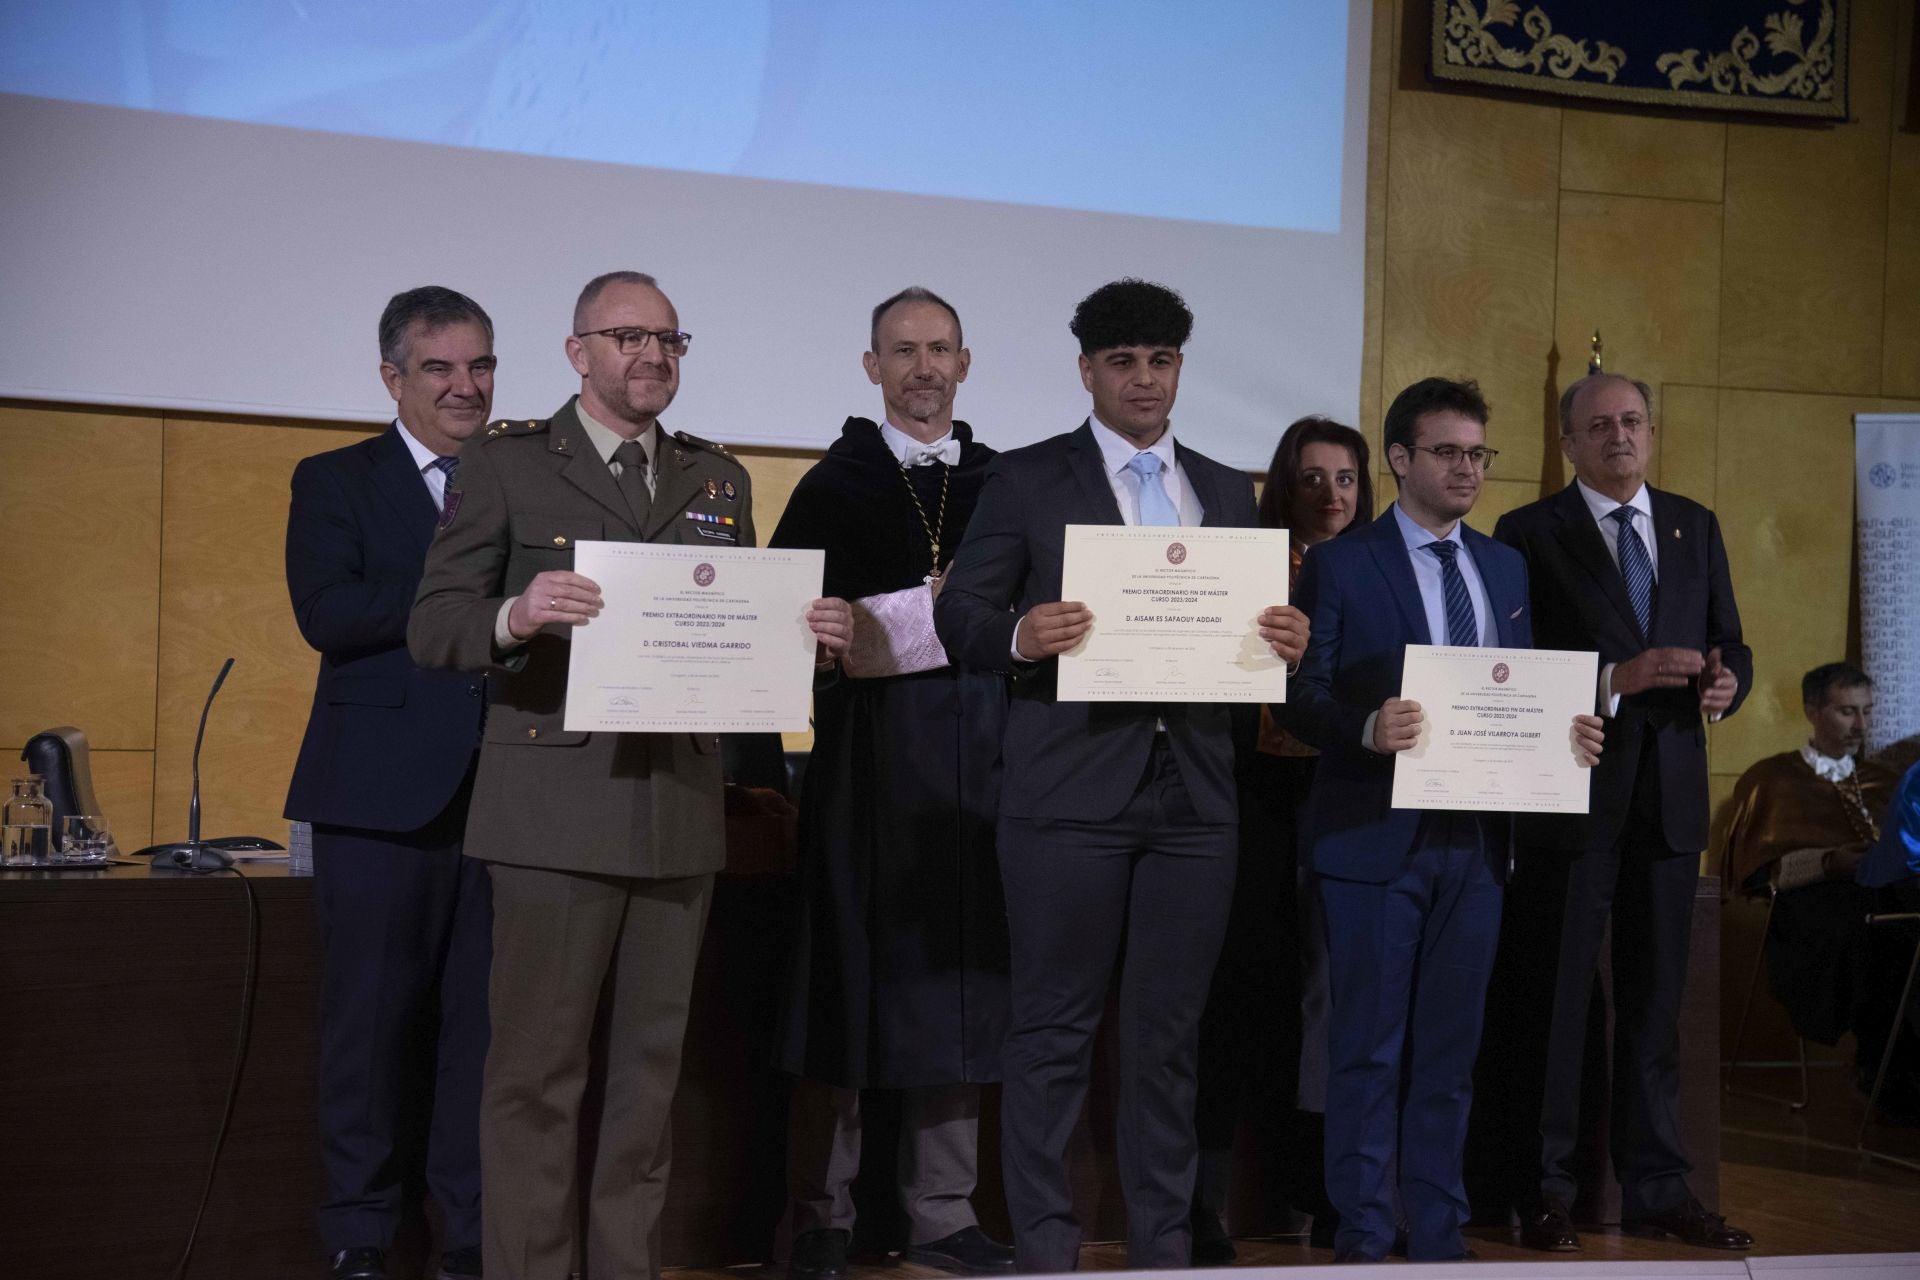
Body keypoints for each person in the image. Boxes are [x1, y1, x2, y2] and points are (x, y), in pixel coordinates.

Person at [407, 270, 852, 1280]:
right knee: (537, 1076)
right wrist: (518, 614)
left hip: (677, 813)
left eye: (667, 338)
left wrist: (807, 640)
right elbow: (433, 624)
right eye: (626, 337)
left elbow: (731, 637)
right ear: (578, 353)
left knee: (648, 1080)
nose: (651, 356)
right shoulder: (509, 463)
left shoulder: (717, 478)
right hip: (552, 811)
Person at [933, 278, 1309, 1270]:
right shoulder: (1025, 480)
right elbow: (959, 618)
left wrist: (1288, 636)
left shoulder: (1228, 489)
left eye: (1162, 359)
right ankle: (1047, 1252)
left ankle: (1161, 1252)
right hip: (1065, 797)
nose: (1145, 378)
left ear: (1180, 367)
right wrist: (1019, 631)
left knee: (1168, 1040)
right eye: (1124, 361)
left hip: (1197, 800)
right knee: (1052, 1032)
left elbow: (1251, 637)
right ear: (1088, 370)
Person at [1280, 376, 1603, 1263]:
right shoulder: (1344, 563)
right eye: (1449, 452)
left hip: (1478, 844)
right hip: (1372, 843)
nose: (1468, 470)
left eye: (1478, 454)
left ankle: (1437, 1227)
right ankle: (1363, 1227)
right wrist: (1363, 725)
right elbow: (1298, 694)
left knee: (1451, 1055)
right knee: (1369, 1051)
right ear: (1400, 459)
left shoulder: (1503, 566)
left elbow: (1519, 691)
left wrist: (1563, 732)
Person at [769, 288, 1014, 1278]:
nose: (923, 366)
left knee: (962, 988)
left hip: (983, 780)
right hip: (866, 777)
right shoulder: (832, 489)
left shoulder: (1008, 485)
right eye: (903, 350)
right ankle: (820, 1211)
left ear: (966, 361)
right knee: (848, 983)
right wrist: (847, 639)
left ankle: (943, 1212)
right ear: (871, 366)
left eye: (939, 349)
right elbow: (776, 634)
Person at [1493, 372, 1755, 1252]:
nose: (1619, 437)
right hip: (1572, 794)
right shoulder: (1527, 533)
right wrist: (1612, 680)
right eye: (1598, 425)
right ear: (1567, 442)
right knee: (1558, 1005)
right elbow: (1511, 663)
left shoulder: (1695, 523)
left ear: (1653, 433)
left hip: (1674, 800)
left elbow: (1734, 641)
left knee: (1655, 1008)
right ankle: (1544, 1191)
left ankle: (1659, 1189)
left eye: (1633, 422)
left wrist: (1728, 682)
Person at [285, 285, 495, 1280]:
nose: (466, 386)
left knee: (480, 1034)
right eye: (441, 367)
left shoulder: (517, 479)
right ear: (392, 378)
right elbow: (328, 611)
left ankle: (468, 1234)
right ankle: (360, 1233)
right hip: (376, 798)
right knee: (366, 1030)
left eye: (481, 365)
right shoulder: (334, 478)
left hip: (506, 796)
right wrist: (466, 579)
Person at [1190, 416, 1373, 1262]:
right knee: (1235, 996)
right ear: (1281, 484)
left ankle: (1327, 1197)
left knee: (1332, 1002)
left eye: (1346, 478)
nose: (1331, 494)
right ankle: (1203, 1202)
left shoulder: (1377, 570)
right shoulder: (1247, 563)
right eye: (1313, 477)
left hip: (1344, 793)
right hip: (1247, 793)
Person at [1726, 664, 1904, 1105]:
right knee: (1868, 931)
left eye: (1866, 711)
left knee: (1903, 926)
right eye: (1847, 712)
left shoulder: (1883, 782)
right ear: (1812, 711)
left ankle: (1897, 1069)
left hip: (1884, 901)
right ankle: (1880, 1068)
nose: (1860, 726)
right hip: (1809, 909)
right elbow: (1760, 874)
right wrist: (1829, 862)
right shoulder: (1771, 780)